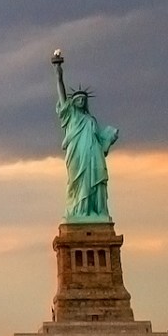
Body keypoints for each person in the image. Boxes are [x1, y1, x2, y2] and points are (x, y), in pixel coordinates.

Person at [52, 51, 119, 223]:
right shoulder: (71, 115)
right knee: (77, 182)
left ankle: (95, 211)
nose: (81, 101)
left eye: (83, 99)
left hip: (93, 154)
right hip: (77, 153)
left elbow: (101, 143)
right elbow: (61, 91)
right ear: (73, 103)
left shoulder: (91, 120)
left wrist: (110, 138)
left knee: (95, 179)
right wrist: (58, 72)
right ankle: (78, 210)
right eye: (78, 99)